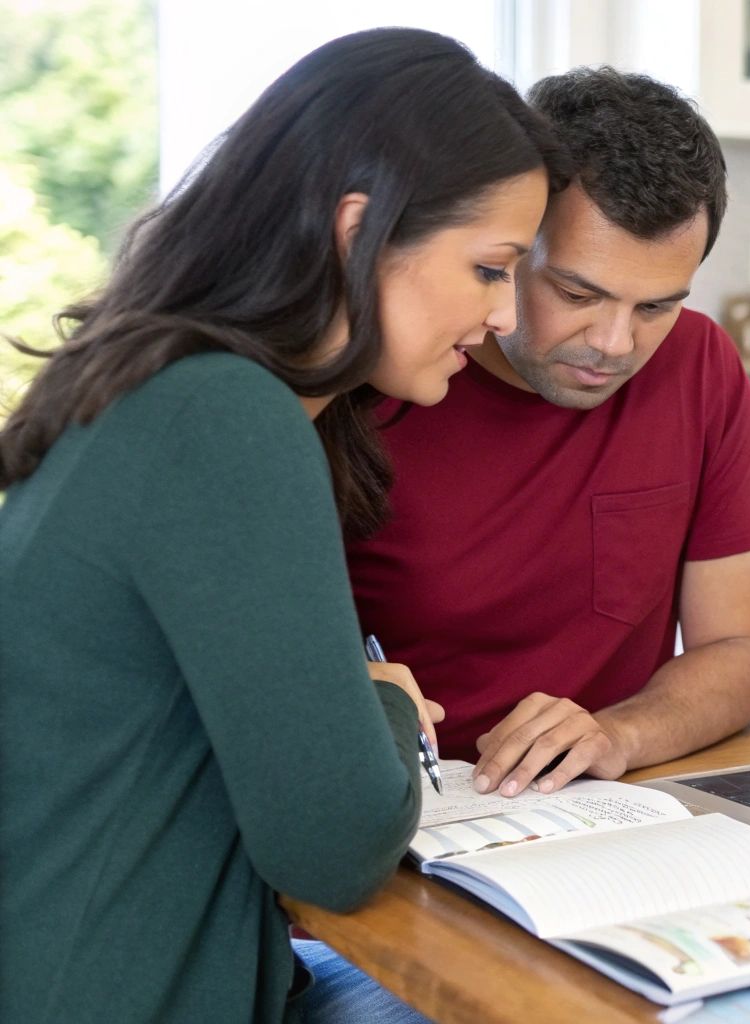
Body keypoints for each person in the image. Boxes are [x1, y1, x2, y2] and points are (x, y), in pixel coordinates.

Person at [0, 28, 566, 1023]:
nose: (506, 317)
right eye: (489, 268)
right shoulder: (224, 419)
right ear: (358, 231)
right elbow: (336, 850)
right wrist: (386, 705)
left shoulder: (157, 384)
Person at [346, 67, 750, 800]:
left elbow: (741, 648)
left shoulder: (699, 363)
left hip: (600, 811)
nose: (615, 344)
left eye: (656, 306)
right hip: (419, 809)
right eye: (578, 293)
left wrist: (620, 734)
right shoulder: (383, 381)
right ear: (509, 249)